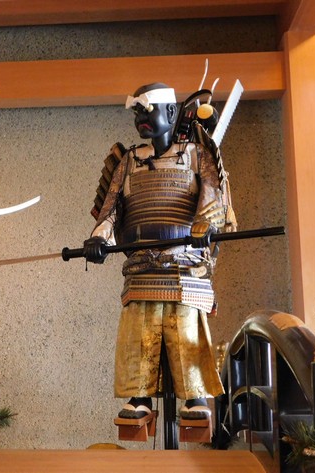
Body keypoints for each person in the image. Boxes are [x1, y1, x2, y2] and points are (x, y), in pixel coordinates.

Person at [83, 82, 236, 420]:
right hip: (141, 265)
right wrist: (98, 239)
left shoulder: (197, 155)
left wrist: (204, 226)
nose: (141, 119)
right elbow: (111, 210)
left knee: (186, 330)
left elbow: (213, 197)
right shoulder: (129, 161)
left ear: (169, 111)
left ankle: (194, 397)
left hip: (184, 263)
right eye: (136, 113)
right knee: (140, 331)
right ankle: (140, 397)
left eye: (147, 111)